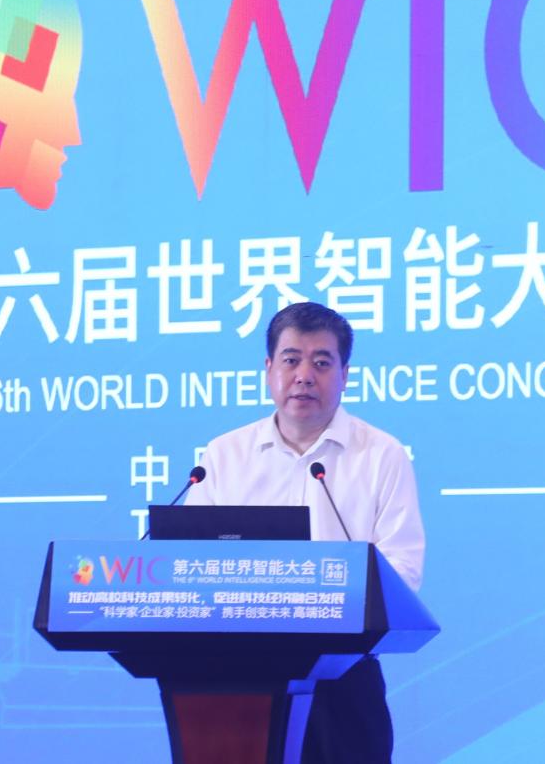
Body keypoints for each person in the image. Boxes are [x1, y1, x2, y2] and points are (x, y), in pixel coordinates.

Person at [187, 302, 425, 763]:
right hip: (240, 679)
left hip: (343, 674)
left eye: (321, 362)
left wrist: (327, 601)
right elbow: (193, 563)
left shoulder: (382, 455)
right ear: (268, 369)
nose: (304, 376)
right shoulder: (224, 455)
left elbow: (403, 570)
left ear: (344, 374)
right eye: (291, 359)